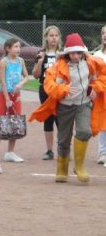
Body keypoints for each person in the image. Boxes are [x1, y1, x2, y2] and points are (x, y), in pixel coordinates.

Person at [30, 33, 106, 183]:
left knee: (85, 131)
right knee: (64, 139)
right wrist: (62, 89)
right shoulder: (58, 66)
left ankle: (79, 166)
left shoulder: (92, 62)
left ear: (83, 52)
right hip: (65, 106)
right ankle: (62, 168)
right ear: (67, 53)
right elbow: (48, 84)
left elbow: (103, 75)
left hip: (83, 104)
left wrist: (95, 87)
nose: (75, 56)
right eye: (72, 53)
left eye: (78, 53)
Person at [0, 38, 29, 174]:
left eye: (19, 47)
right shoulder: (4, 62)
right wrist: (7, 99)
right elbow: (2, 81)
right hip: (4, 95)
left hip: (16, 95)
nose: (18, 49)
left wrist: (20, 84)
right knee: (0, 121)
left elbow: (26, 76)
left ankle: (10, 152)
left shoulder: (21, 61)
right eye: (15, 47)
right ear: (8, 48)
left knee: (15, 122)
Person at [32, 26, 62, 160]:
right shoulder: (41, 54)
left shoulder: (63, 54)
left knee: (61, 120)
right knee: (48, 119)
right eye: (51, 35)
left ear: (59, 38)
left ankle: (63, 149)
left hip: (59, 90)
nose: (54, 38)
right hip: (45, 90)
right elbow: (36, 75)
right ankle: (49, 151)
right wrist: (39, 62)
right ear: (46, 38)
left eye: (56, 35)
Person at [94, 25, 106, 165]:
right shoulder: (97, 55)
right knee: (103, 123)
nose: (105, 35)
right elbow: (93, 75)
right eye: (103, 33)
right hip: (102, 94)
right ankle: (103, 152)